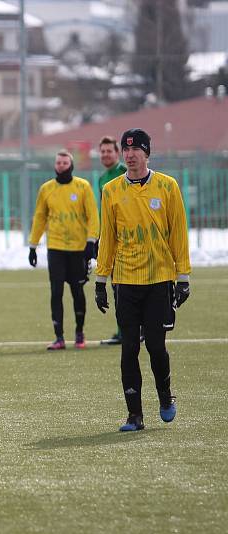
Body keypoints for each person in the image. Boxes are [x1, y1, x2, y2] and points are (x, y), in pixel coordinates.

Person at [94, 128, 191, 432]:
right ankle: (134, 415)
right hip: (125, 281)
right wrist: (100, 280)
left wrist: (183, 276)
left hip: (159, 280)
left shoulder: (167, 186)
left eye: (137, 149)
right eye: (127, 149)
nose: (131, 154)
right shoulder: (111, 191)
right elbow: (107, 238)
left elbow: (178, 233)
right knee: (128, 349)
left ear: (147, 152)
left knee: (157, 347)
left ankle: (164, 397)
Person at [28, 150, 99, 350]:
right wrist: (33, 246)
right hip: (56, 248)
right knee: (56, 292)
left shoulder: (83, 186)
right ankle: (59, 337)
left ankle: (79, 333)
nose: (61, 165)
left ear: (71, 164)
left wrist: (91, 242)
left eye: (65, 162)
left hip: (78, 248)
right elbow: (40, 217)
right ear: (55, 165)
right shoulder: (46, 189)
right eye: (58, 162)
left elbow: (93, 215)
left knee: (77, 290)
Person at [96, 136, 128, 345]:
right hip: (111, 240)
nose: (106, 155)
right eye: (103, 151)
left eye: (109, 151)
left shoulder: (126, 172)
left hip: (128, 239)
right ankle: (123, 331)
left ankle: (137, 330)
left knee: (129, 287)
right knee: (117, 287)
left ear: (117, 153)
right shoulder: (102, 179)